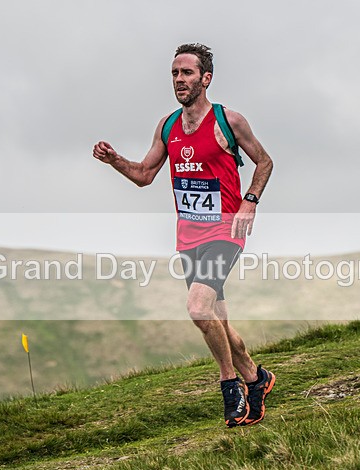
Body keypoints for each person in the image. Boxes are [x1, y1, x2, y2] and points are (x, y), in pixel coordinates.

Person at [93, 43, 275, 427]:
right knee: (218, 321)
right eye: (175, 73)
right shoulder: (168, 126)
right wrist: (114, 161)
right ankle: (257, 379)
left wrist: (250, 201)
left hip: (226, 231)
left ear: (205, 79)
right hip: (188, 236)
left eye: (187, 73)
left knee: (197, 308)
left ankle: (230, 387)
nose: (179, 80)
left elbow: (264, 161)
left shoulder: (230, 120)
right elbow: (144, 175)